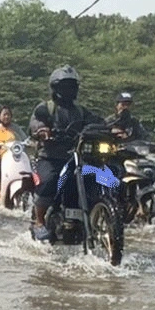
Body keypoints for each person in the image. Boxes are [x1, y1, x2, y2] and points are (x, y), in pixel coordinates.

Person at [28, 65, 105, 241]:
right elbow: (35, 122)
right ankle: (39, 222)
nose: (69, 90)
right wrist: (42, 130)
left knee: (97, 176)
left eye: (72, 86)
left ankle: (100, 215)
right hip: (51, 156)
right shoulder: (46, 108)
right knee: (48, 181)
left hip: (77, 156)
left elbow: (97, 121)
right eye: (65, 86)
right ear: (56, 88)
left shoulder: (80, 111)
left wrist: (111, 129)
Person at [0, 106, 27, 202]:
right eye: (4, 114)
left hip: (14, 160)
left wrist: (30, 142)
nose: (6, 117)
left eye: (8, 115)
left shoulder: (16, 128)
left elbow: (25, 139)